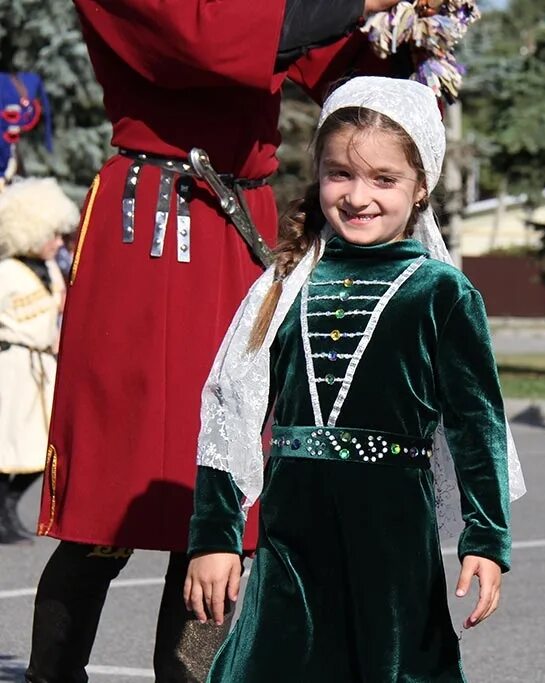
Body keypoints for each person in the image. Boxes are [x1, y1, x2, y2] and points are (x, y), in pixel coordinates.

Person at [27, 2, 408, 681]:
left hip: (238, 229)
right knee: (109, 503)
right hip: (153, 227)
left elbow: (337, 68)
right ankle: (52, 673)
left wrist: (411, 34)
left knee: (227, 490)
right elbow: (209, 38)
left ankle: (192, 675)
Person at [184, 76, 525, 682]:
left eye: (384, 179)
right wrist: (215, 535)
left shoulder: (441, 292)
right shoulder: (283, 283)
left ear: (420, 189)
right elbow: (229, 410)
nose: (358, 195)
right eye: (340, 173)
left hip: (392, 537)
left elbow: (478, 426)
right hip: (293, 538)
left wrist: (486, 537)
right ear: (317, 175)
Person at [0, 178, 78, 545]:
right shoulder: (6, 272)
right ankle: (3, 511)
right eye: (52, 235)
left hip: (41, 368)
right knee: (10, 446)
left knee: (38, 449)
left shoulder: (49, 271)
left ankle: (9, 506)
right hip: (12, 367)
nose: (59, 242)